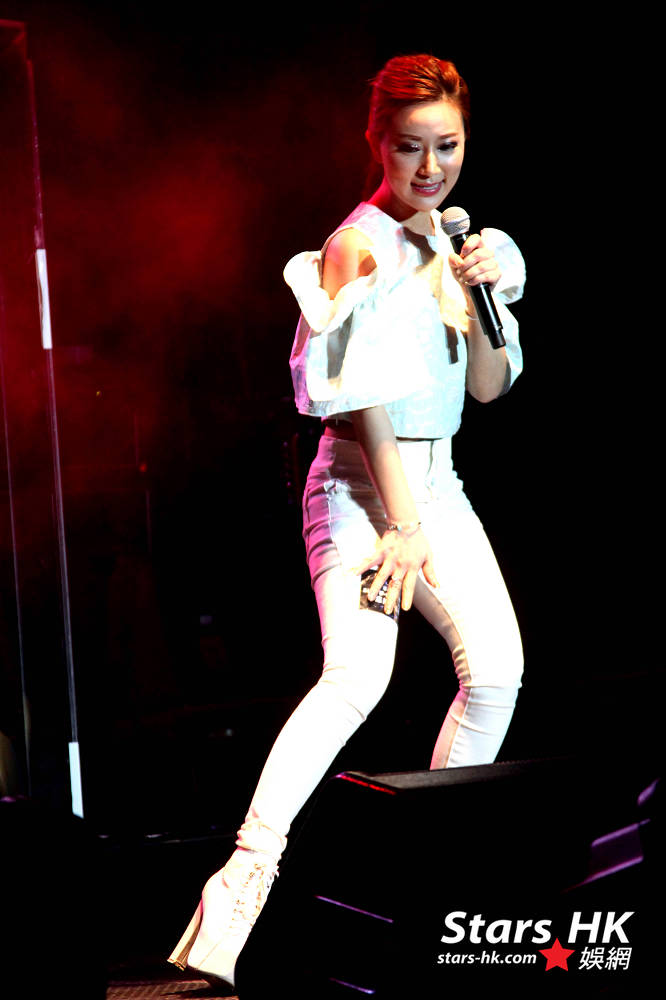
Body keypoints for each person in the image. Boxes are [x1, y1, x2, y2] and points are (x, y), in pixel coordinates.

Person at [168, 52, 526, 988]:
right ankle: (241, 882)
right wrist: (401, 526)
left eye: (446, 146)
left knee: (498, 673)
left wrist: (484, 296)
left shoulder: (462, 245)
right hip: (363, 486)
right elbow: (359, 400)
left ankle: (436, 879)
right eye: (409, 147)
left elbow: (489, 389)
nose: (430, 167)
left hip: (441, 484)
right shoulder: (355, 247)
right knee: (358, 675)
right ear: (375, 142)